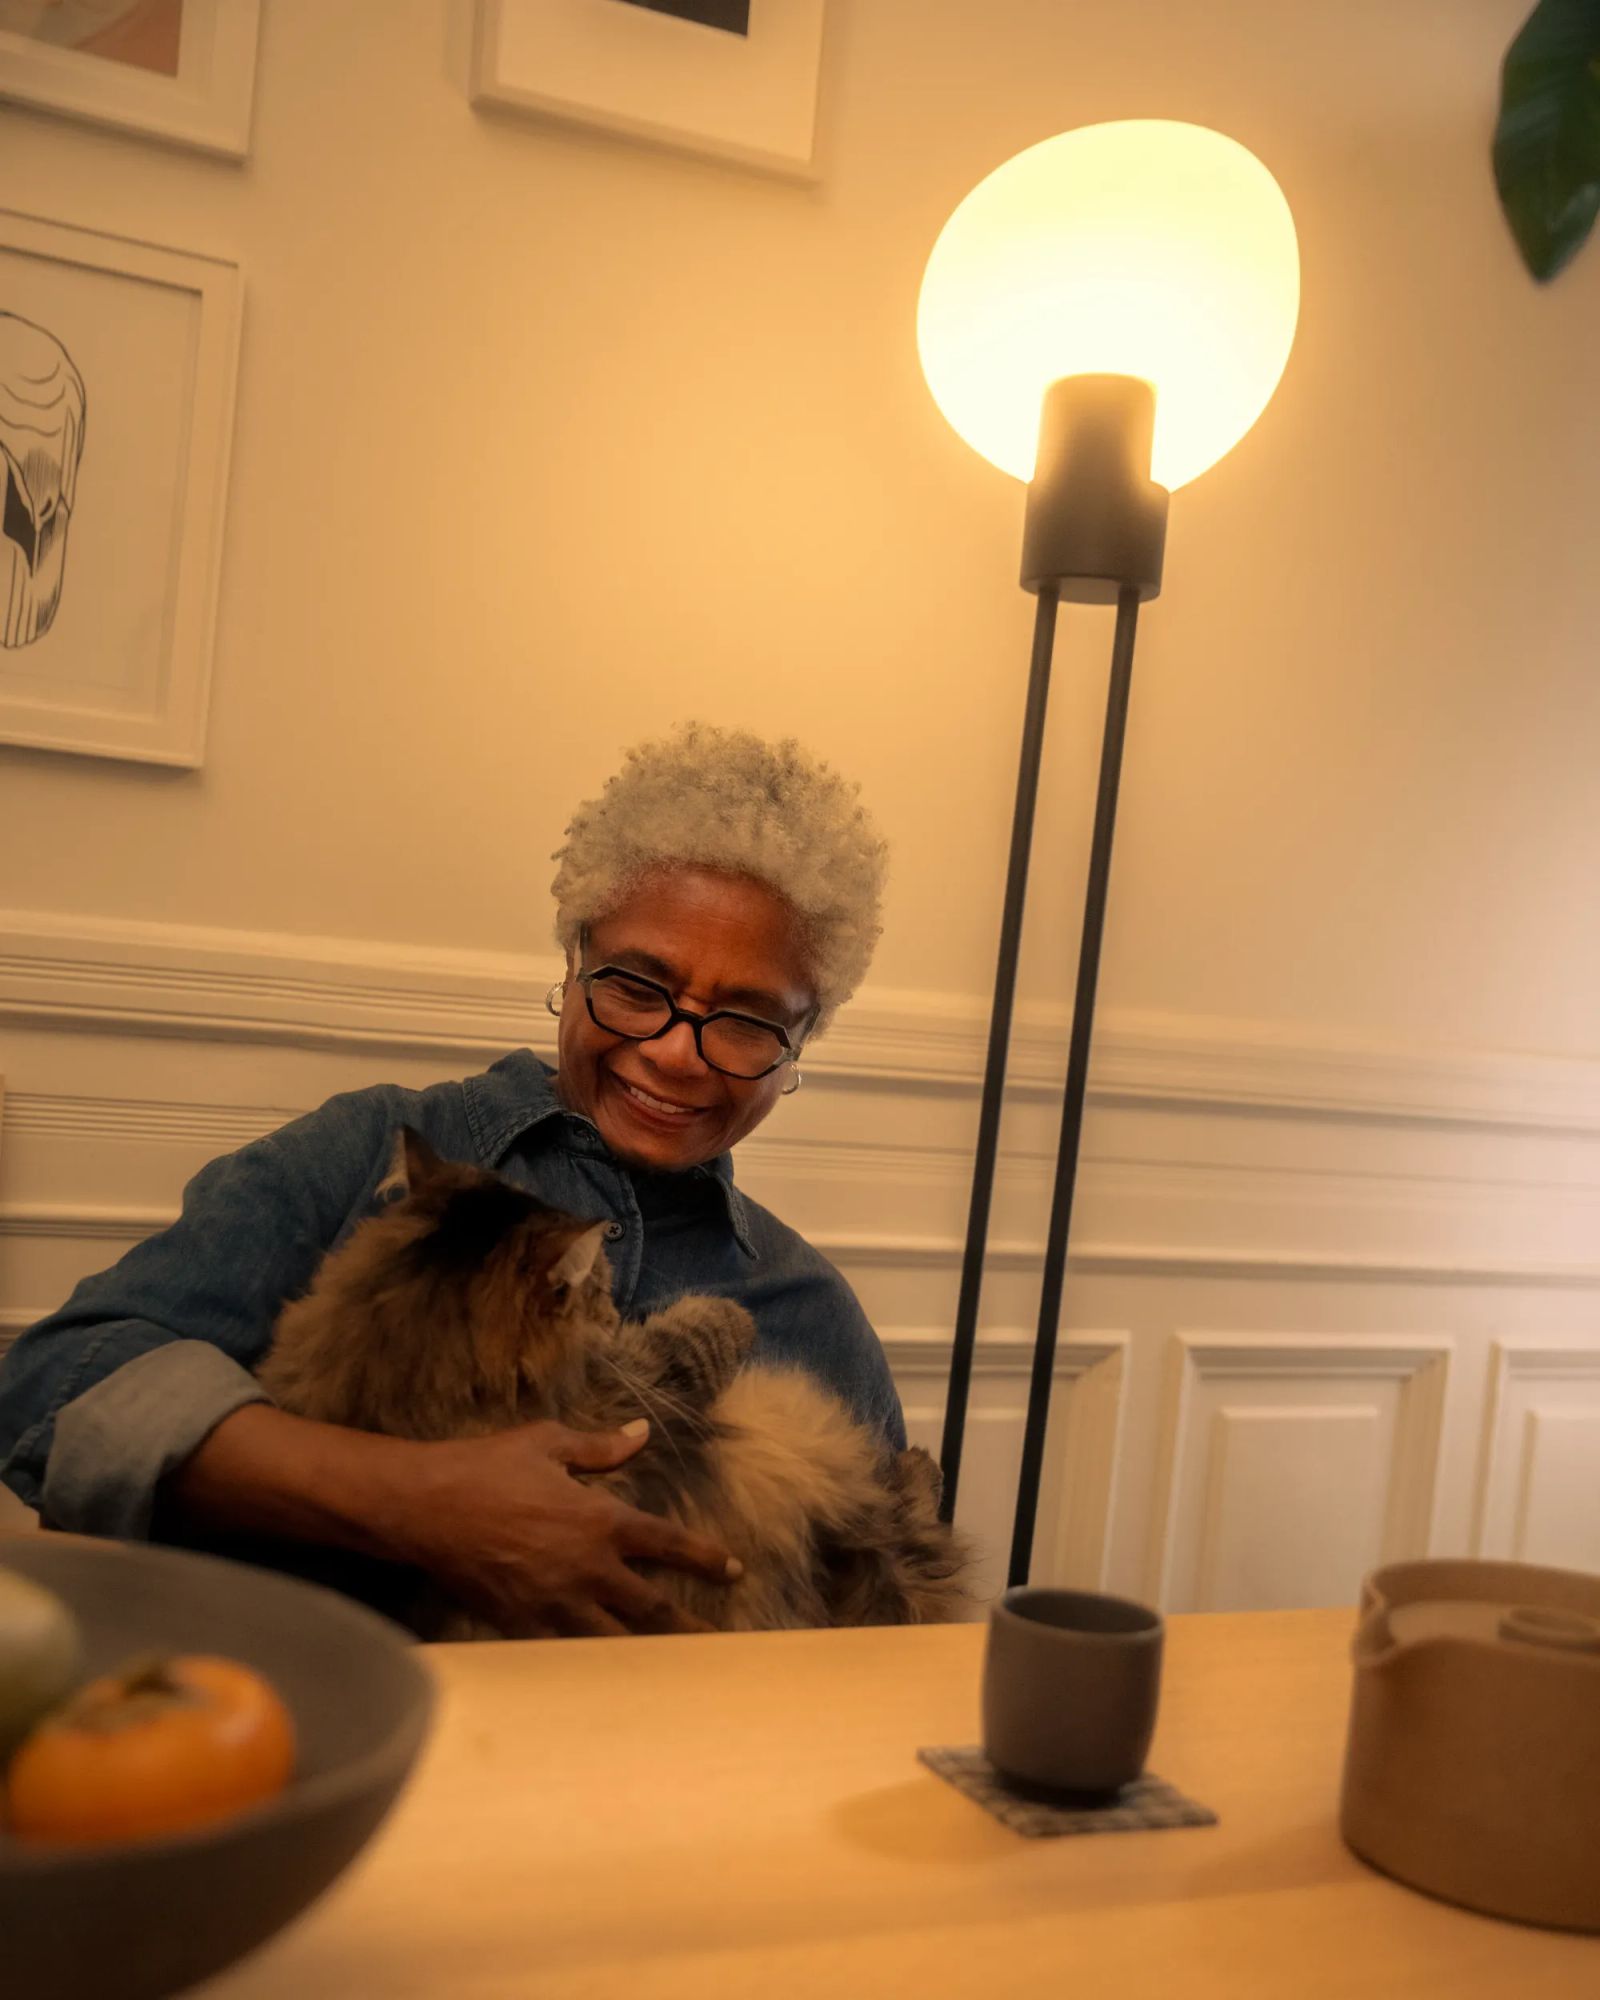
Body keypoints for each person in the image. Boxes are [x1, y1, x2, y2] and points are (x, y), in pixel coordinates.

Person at [0, 723, 904, 1638]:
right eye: (637, 986)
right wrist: (415, 1502)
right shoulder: (370, 1154)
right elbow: (56, 1390)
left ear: (800, 1046)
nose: (675, 1053)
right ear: (574, 960)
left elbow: (888, 1613)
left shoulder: (810, 1314)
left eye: (748, 1022)